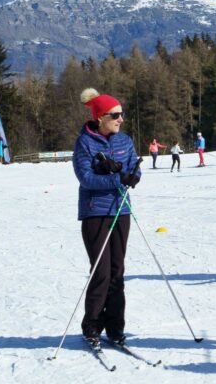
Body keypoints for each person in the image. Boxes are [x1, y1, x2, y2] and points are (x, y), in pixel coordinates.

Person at [73, 87, 141, 348]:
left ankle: (115, 327)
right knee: (100, 271)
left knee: (117, 271)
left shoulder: (124, 140)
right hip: (95, 212)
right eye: (115, 115)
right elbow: (86, 178)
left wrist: (133, 176)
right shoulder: (85, 142)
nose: (120, 119)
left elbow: (133, 165)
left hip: (121, 209)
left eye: (121, 114)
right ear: (100, 116)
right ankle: (92, 325)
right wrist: (115, 177)